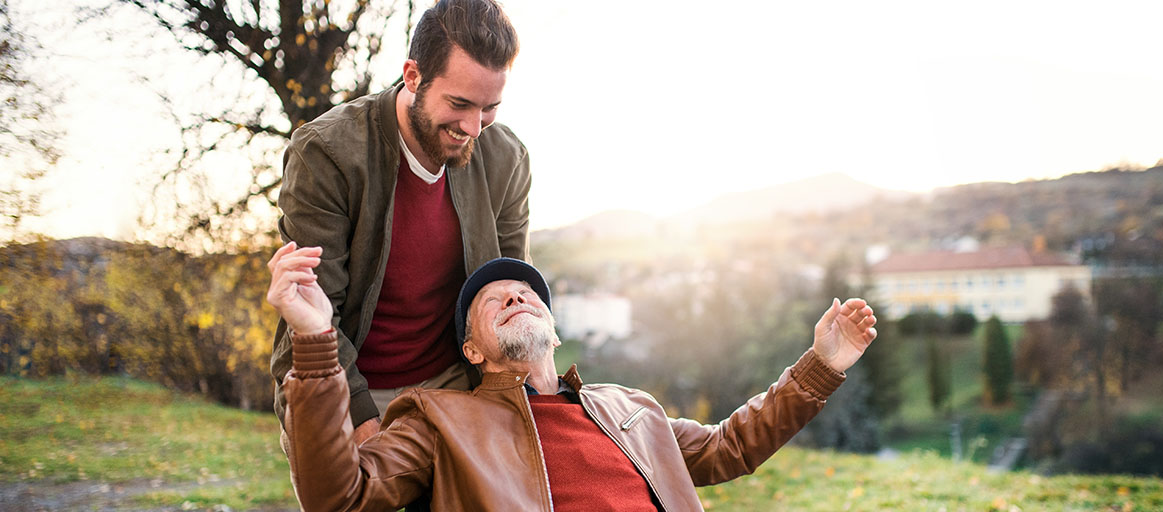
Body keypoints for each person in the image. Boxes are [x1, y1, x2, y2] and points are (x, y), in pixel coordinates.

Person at [267, 243, 880, 511]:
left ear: (555, 334)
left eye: (527, 293)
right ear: (473, 351)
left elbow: (730, 446)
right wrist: (317, 340)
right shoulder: (439, 419)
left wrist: (820, 366)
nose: (515, 297)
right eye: (493, 300)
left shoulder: (630, 410)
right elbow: (340, 499)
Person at [269, 0, 530, 445]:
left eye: (489, 107)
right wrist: (366, 426)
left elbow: (511, 291)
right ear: (413, 76)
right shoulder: (326, 153)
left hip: (453, 380)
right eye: (460, 104)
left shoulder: (506, 156)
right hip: (344, 381)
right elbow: (314, 316)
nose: (473, 127)